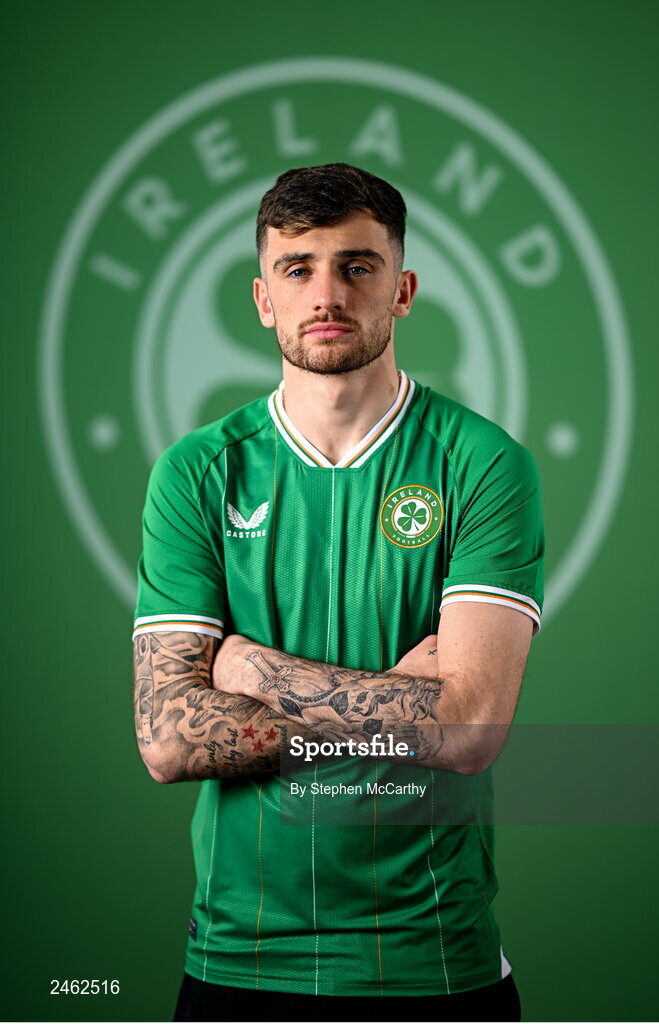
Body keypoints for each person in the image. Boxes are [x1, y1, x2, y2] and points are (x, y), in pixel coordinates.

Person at [132, 162, 544, 1022]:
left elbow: (469, 730)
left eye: (357, 265)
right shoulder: (198, 472)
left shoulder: (481, 464)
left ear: (402, 290)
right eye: (298, 268)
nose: (327, 292)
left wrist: (250, 671)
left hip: (435, 962)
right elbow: (168, 743)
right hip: (237, 960)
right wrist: (404, 707)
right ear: (261, 297)